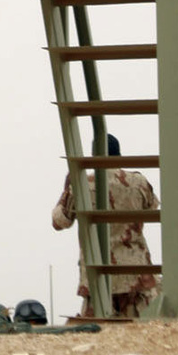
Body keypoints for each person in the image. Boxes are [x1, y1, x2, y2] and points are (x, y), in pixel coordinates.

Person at [51, 134, 159, 318]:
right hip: (136, 275)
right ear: (119, 155)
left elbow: (60, 222)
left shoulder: (82, 185)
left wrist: (67, 189)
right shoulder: (138, 182)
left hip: (97, 277)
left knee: (100, 337)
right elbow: (152, 207)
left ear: (93, 156)